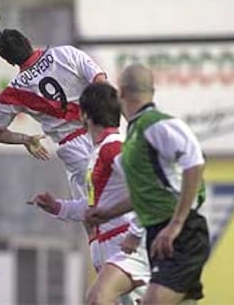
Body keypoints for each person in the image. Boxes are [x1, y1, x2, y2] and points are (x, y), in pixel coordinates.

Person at [86, 64, 210, 305]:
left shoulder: (156, 124)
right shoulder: (134, 133)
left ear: (121, 93)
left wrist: (175, 225)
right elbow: (147, 192)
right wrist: (108, 213)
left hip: (180, 235)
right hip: (158, 234)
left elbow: (195, 163)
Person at [28, 83, 150, 305]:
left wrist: (136, 233)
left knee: (97, 299)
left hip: (126, 248)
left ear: (84, 116)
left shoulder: (114, 148)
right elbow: (96, 204)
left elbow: (147, 189)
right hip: (111, 251)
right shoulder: (100, 151)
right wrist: (59, 207)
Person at [0, 29, 107, 199]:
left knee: (90, 208)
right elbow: (101, 82)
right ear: (28, 41)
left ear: (8, 61)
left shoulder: (13, 92)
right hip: (101, 131)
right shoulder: (66, 53)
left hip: (74, 148)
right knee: (125, 197)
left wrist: (27, 140)